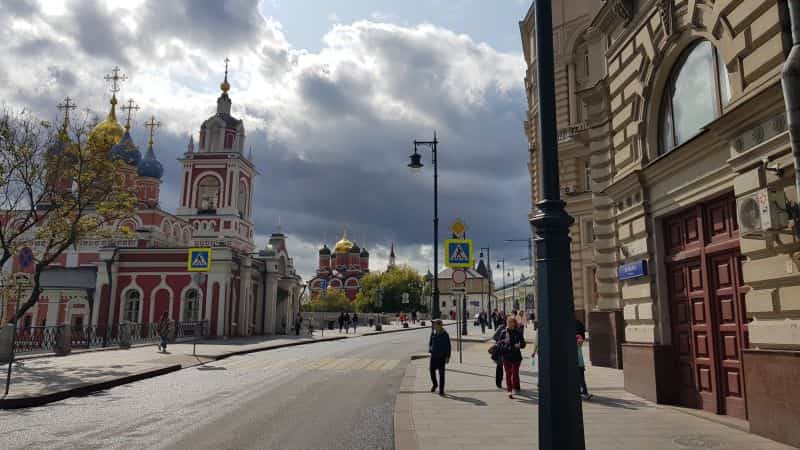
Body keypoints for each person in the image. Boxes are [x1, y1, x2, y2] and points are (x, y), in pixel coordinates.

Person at [499, 315, 526, 399]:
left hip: (516, 356)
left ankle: (516, 386)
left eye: (511, 322)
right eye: (508, 322)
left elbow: (523, 343)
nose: (510, 324)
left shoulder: (518, 332)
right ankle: (509, 391)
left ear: (514, 324)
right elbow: (499, 344)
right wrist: (504, 342)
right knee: (508, 374)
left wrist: (519, 345)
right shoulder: (503, 332)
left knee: (514, 373)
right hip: (506, 356)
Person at [428, 319, 451, 396]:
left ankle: (441, 390)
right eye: (433, 324)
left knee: (441, 374)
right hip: (433, 356)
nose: (433, 325)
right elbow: (430, 342)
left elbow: (448, 346)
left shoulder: (445, 334)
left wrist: (448, 357)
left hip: (441, 357)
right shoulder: (433, 332)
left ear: (439, 325)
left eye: (434, 324)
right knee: (431, 371)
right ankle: (435, 384)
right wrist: (430, 349)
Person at [492, 319, 507, 389]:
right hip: (500, 350)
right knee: (500, 367)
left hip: (508, 351)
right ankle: (498, 382)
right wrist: (501, 341)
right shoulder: (501, 327)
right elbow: (494, 337)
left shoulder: (514, 328)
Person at [577, 334, 592, 399]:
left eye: (581, 342)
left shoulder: (579, 348)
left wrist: (583, 365)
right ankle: (584, 393)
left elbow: (581, 358)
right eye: (579, 342)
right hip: (577, 366)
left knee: (582, 380)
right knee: (581, 380)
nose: (581, 343)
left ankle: (584, 392)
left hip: (581, 365)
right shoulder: (575, 348)